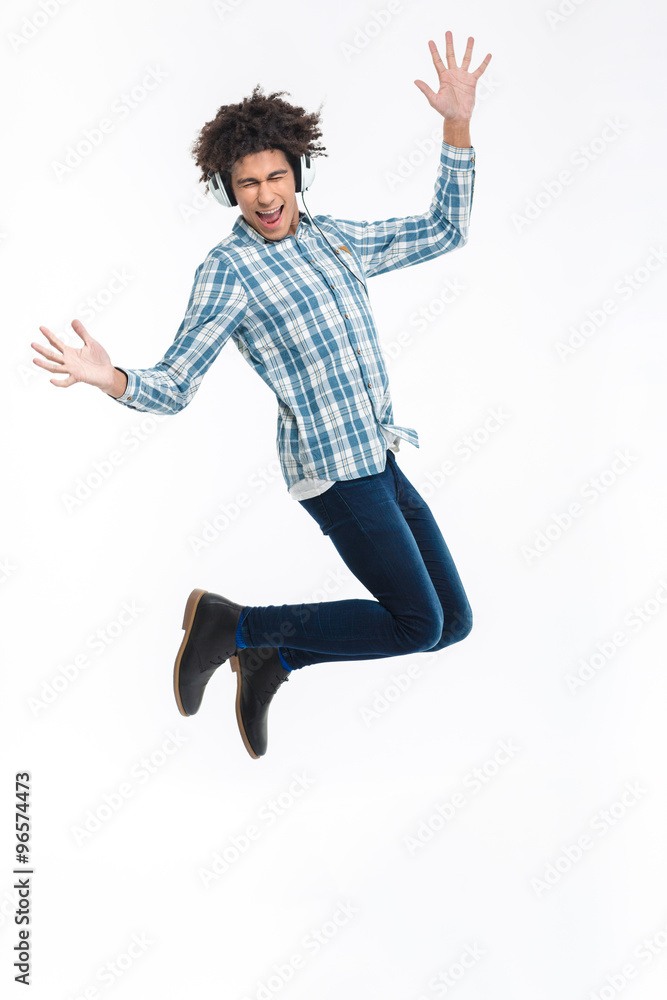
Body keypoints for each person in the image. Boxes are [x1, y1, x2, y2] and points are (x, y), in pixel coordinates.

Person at [31, 31, 492, 759]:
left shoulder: (336, 239)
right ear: (227, 189)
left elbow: (443, 229)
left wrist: (455, 123)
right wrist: (109, 375)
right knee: (416, 624)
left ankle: (276, 656)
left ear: (296, 173)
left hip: (378, 456)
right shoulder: (228, 272)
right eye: (248, 184)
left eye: (276, 177)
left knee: (452, 623)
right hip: (332, 475)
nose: (266, 195)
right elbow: (176, 384)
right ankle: (235, 626)